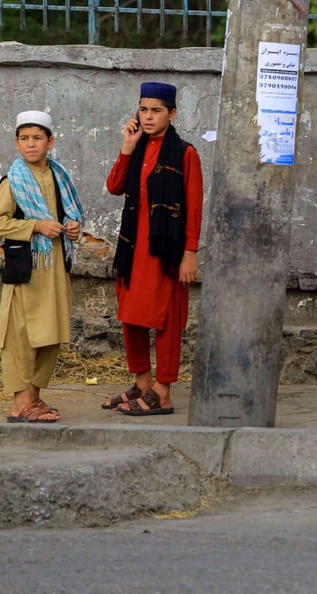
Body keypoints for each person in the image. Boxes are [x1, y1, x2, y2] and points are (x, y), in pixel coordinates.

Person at [101, 82, 203, 417]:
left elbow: (193, 206)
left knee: (166, 320)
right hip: (133, 249)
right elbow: (115, 186)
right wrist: (127, 147)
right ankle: (143, 383)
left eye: (156, 110)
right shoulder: (138, 147)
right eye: (143, 110)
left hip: (166, 251)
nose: (148, 117)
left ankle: (163, 391)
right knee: (131, 317)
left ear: (172, 114)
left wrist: (190, 253)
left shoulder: (185, 153)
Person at [0, 111, 84, 423]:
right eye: (25, 139)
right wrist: (36, 226)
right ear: (17, 143)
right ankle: (20, 404)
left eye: (38, 138)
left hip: (55, 266)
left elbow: (68, 214)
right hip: (28, 268)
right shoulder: (13, 180)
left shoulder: (60, 176)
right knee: (20, 334)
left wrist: (72, 228)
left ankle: (34, 396)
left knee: (52, 332)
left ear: (50, 142)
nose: (31, 144)